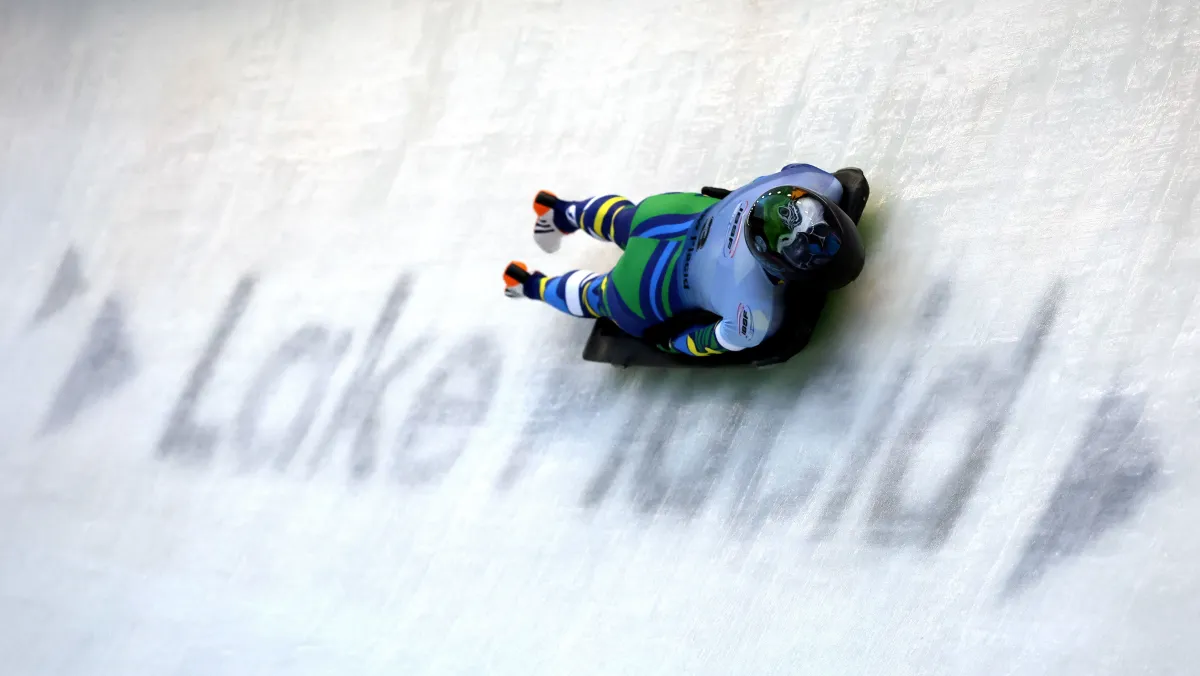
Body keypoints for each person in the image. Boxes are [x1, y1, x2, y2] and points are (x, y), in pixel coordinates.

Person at [503, 163, 865, 357]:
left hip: (669, 215)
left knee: (626, 219)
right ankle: (529, 284)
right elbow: (707, 341)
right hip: (649, 285)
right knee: (599, 296)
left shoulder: (812, 181)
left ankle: (560, 211)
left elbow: (786, 174)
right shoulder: (751, 314)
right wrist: (667, 342)